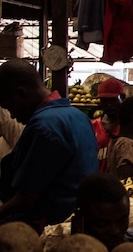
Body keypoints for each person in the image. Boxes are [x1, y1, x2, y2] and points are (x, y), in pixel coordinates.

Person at [0, 60, 98, 231]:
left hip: (49, 228)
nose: (13, 116)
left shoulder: (43, 126)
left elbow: (25, 199)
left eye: (9, 107)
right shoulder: (77, 116)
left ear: (20, 93)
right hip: (76, 221)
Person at [92, 77, 126, 171]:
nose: (108, 105)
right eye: (104, 101)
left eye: (112, 100)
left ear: (123, 98)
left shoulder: (129, 126)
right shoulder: (93, 126)